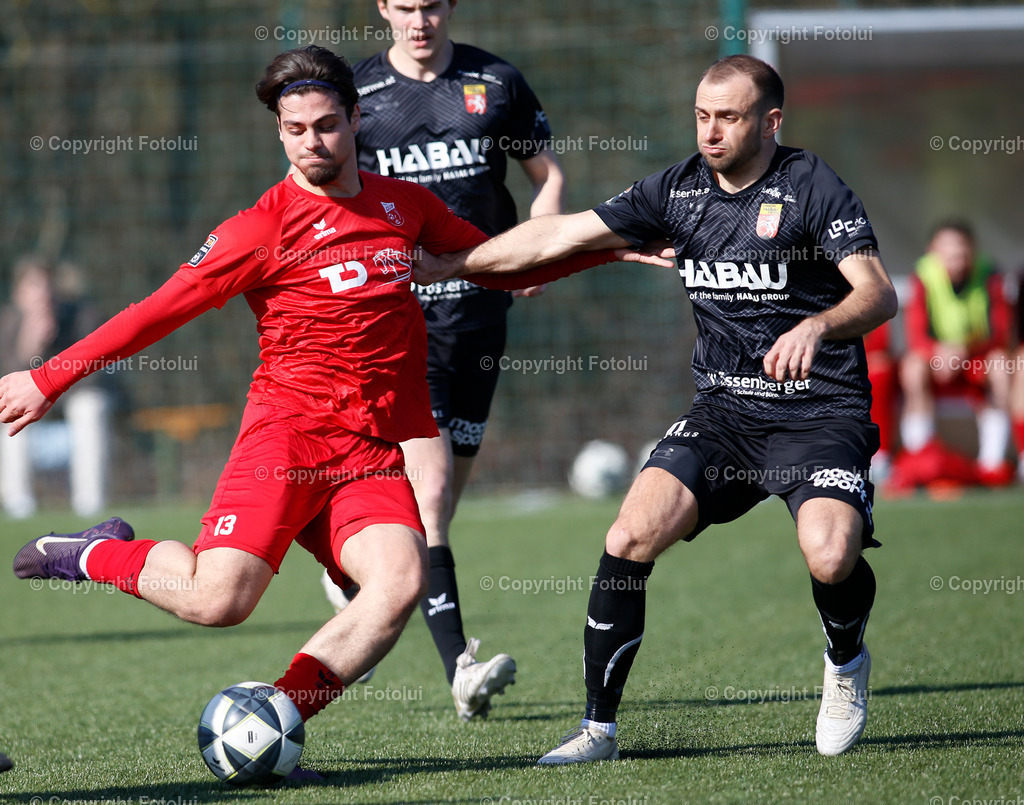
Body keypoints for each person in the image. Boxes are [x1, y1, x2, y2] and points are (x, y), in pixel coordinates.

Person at [3, 46, 654, 771]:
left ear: (356, 120)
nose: (312, 141)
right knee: (219, 601)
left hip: (367, 453)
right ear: (279, 132)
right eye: (294, 129)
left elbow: (501, 258)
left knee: (402, 580)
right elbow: (154, 313)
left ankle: (272, 720)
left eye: (326, 125)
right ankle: (90, 552)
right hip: (285, 440)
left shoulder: (401, 206)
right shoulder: (259, 228)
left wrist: (613, 249)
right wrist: (48, 378)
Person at [414, 54, 898, 762]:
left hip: (819, 413)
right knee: (629, 533)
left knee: (830, 555)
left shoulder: (810, 184)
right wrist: (457, 264)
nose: (710, 132)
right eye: (701, 115)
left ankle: (846, 661)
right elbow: (560, 234)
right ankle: (597, 730)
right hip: (725, 416)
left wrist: (820, 324)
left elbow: (879, 293)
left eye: (728, 118)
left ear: (770, 121)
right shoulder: (677, 190)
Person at [317, 0, 565, 719]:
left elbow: (546, 174)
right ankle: (460, 664)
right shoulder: (357, 94)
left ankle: (356, 585)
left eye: (430, 5)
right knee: (428, 500)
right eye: (403, 5)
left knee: (444, 497)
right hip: (398, 322)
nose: (418, 19)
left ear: (450, 7)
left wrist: (542, 236)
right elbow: (329, 191)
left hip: (483, 314)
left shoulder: (496, 81)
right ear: (382, 9)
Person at [894, 220, 1015, 490]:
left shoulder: (989, 274)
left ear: (971, 250)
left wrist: (964, 350)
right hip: (936, 359)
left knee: (1002, 366)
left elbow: (1001, 331)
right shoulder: (923, 276)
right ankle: (920, 459)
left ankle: (992, 464)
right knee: (913, 368)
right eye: (948, 252)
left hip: (977, 356)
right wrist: (940, 351)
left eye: (961, 252)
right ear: (933, 251)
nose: (956, 259)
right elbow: (916, 335)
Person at [0, 257, 110, 518]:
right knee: (9, 412)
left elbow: (97, 370)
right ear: (19, 294)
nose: (43, 294)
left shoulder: (82, 315)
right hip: (30, 405)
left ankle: (89, 503)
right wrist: (29, 347)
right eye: (34, 286)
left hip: (73, 397)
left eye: (47, 286)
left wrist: (52, 385)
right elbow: (6, 380)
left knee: (91, 408)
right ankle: (19, 503)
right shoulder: (8, 323)